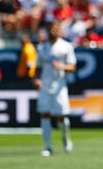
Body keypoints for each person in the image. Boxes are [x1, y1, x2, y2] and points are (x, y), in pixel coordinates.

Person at [33, 22, 77, 157]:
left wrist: (61, 66)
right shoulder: (42, 48)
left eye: (56, 28)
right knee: (44, 114)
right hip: (45, 86)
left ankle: (65, 137)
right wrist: (37, 79)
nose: (54, 31)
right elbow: (38, 67)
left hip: (59, 87)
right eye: (52, 28)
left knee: (61, 117)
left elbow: (73, 67)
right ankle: (48, 146)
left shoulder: (66, 46)